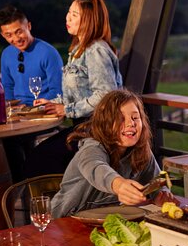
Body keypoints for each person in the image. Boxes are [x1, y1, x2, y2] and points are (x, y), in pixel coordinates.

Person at [27, 0, 123, 178]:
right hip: (82, 126)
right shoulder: (78, 50)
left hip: (96, 128)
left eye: (74, 14)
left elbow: (105, 95)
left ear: (88, 19)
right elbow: (78, 93)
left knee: (38, 159)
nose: (67, 18)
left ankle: (58, 205)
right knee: (38, 157)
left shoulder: (96, 50)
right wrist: (52, 103)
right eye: (68, 12)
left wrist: (66, 110)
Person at [51, 89, 174, 218]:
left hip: (107, 222)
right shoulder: (92, 148)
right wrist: (119, 184)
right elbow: (96, 167)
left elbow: (156, 180)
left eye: (135, 118)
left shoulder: (141, 150)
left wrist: (162, 194)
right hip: (63, 222)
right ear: (105, 123)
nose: (130, 123)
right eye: (120, 119)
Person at [0, 5, 63, 105]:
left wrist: (37, 107)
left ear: (29, 26)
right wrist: (10, 108)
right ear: (3, 35)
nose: (16, 39)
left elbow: (57, 90)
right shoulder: (6, 54)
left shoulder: (48, 53)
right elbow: (8, 87)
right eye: (9, 35)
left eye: (19, 32)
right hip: (16, 112)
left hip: (43, 110)